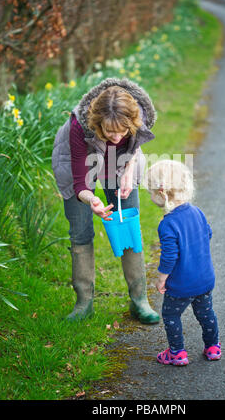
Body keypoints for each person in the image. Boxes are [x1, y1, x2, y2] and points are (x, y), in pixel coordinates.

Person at [52, 77, 159, 324]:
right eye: (109, 131)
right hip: (77, 159)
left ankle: (139, 301)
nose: (115, 136)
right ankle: (84, 303)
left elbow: (133, 145)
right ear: (98, 123)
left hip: (120, 161)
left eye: (122, 131)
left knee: (128, 223)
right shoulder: (81, 127)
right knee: (80, 232)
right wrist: (92, 200)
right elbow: (81, 183)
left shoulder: (137, 117)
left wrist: (128, 171)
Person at [145, 159, 221, 365]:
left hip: (181, 285)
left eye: (150, 192)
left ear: (161, 194)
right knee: (206, 314)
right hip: (204, 280)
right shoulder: (197, 212)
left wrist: (161, 279)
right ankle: (213, 347)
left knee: (170, 315)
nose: (150, 197)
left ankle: (177, 353)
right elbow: (208, 234)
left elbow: (170, 256)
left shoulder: (167, 224)